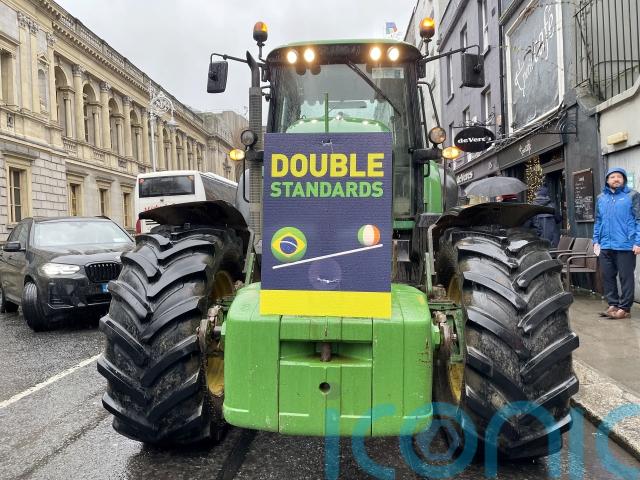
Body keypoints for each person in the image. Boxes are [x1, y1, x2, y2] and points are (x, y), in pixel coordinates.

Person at [593, 167, 640, 319]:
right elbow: (598, 220)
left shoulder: (632, 195)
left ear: (624, 179)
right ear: (607, 180)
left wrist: (638, 242)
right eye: (612, 177)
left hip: (625, 244)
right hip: (605, 245)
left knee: (626, 277)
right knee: (607, 276)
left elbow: (639, 219)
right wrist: (596, 241)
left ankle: (625, 308)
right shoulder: (601, 198)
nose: (616, 179)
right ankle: (613, 304)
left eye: (619, 176)